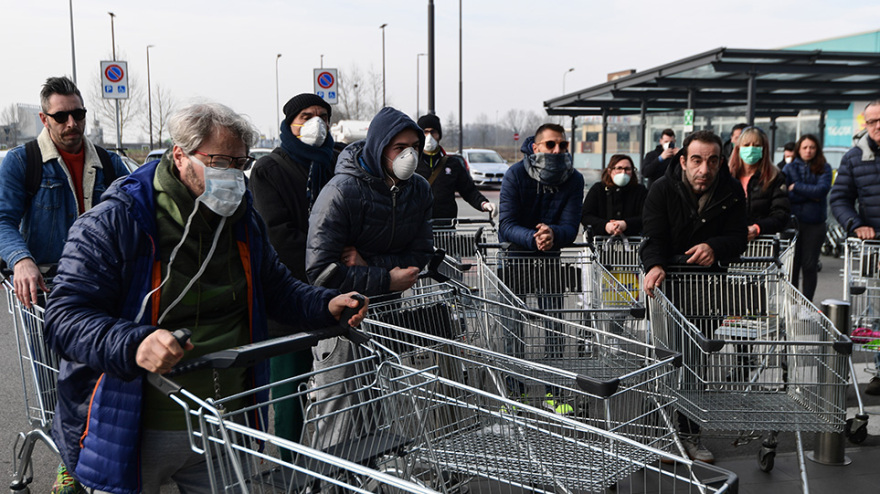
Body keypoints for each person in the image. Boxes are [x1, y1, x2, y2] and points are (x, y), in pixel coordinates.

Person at [43, 102, 367, 494]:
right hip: (135, 423)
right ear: (180, 155)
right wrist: (134, 342)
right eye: (218, 160)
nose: (231, 173)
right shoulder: (116, 221)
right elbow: (64, 319)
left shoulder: (243, 220)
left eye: (239, 162)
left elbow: (277, 288)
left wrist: (324, 304)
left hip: (227, 419)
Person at [640, 130, 748, 463]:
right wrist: (655, 264)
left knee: (696, 363)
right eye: (698, 160)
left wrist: (714, 247)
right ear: (684, 161)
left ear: (720, 161)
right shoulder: (661, 189)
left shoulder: (730, 191)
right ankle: (661, 436)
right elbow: (652, 236)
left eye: (712, 160)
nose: (705, 169)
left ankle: (690, 435)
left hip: (706, 290)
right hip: (668, 288)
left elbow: (738, 238)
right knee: (666, 362)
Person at [247, 93, 337, 458]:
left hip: (334, 290)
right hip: (289, 293)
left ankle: (338, 460)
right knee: (289, 388)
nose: (315, 123)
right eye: (305, 116)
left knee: (341, 385)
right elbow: (277, 235)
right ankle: (289, 462)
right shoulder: (271, 168)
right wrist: (332, 257)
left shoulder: (334, 163)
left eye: (322, 116)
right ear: (289, 123)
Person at [0, 76, 129, 308]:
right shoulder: (22, 161)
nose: (71, 123)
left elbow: (134, 217)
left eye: (78, 114)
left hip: (102, 282)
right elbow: (3, 219)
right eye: (60, 117)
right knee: (46, 345)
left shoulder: (110, 164)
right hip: (47, 288)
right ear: (44, 119)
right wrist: (21, 259)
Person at [498, 123, 584, 413]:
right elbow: (506, 225)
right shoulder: (515, 174)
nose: (558, 151)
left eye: (563, 145)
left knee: (555, 327)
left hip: (550, 261)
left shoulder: (574, 179)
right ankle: (514, 394)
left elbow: (571, 226)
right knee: (512, 329)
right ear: (535, 147)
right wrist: (536, 238)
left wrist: (553, 235)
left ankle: (555, 394)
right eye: (550, 145)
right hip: (515, 259)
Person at [306, 106, 434, 296]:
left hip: (388, 307)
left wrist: (370, 266)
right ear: (378, 148)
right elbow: (321, 273)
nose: (410, 156)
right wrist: (387, 279)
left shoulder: (419, 189)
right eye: (399, 148)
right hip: (346, 310)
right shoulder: (340, 192)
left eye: (415, 147)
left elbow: (421, 253)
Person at [830, 100, 880, 394]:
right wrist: (855, 224)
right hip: (874, 249)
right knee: (875, 313)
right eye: (871, 121)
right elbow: (840, 199)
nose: (877, 126)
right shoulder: (854, 158)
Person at [415, 113, 496, 224]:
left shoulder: (452, 164)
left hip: (446, 226)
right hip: (418, 227)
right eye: (425, 132)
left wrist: (484, 204)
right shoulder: (411, 163)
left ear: (439, 135)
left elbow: (469, 190)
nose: (429, 137)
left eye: (433, 132)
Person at [784, 134, 832, 302]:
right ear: (799, 149)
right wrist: (810, 194)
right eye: (805, 147)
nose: (808, 150)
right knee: (793, 266)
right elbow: (785, 194)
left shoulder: (824, 168)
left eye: (812, 147)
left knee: (810, 265)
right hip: (793, 222)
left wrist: (796, 187)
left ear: (817, 149)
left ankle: (807, 303)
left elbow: (821, 191)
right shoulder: (789, 168)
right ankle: (792, 303)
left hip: (815, 224)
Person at [727, 126, 791, 240]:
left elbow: (781, 214)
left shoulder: (774, 177)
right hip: (730, 242)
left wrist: (757, 228)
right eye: (746, 145)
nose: (751, 149)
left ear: (763, 149)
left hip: (762, 245)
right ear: (738, 148)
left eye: (756, 146)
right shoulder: (727, 177)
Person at [581, 154, 648, 236]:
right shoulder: (598, 189)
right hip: (601, 240)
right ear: (610, 171)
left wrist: (625, 224)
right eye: (619, 168)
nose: (623, 172)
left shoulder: (640, 191)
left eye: (627, 169)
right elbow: (586, 216)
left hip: (633, 240)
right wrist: (606, 226)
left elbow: (647, 216)